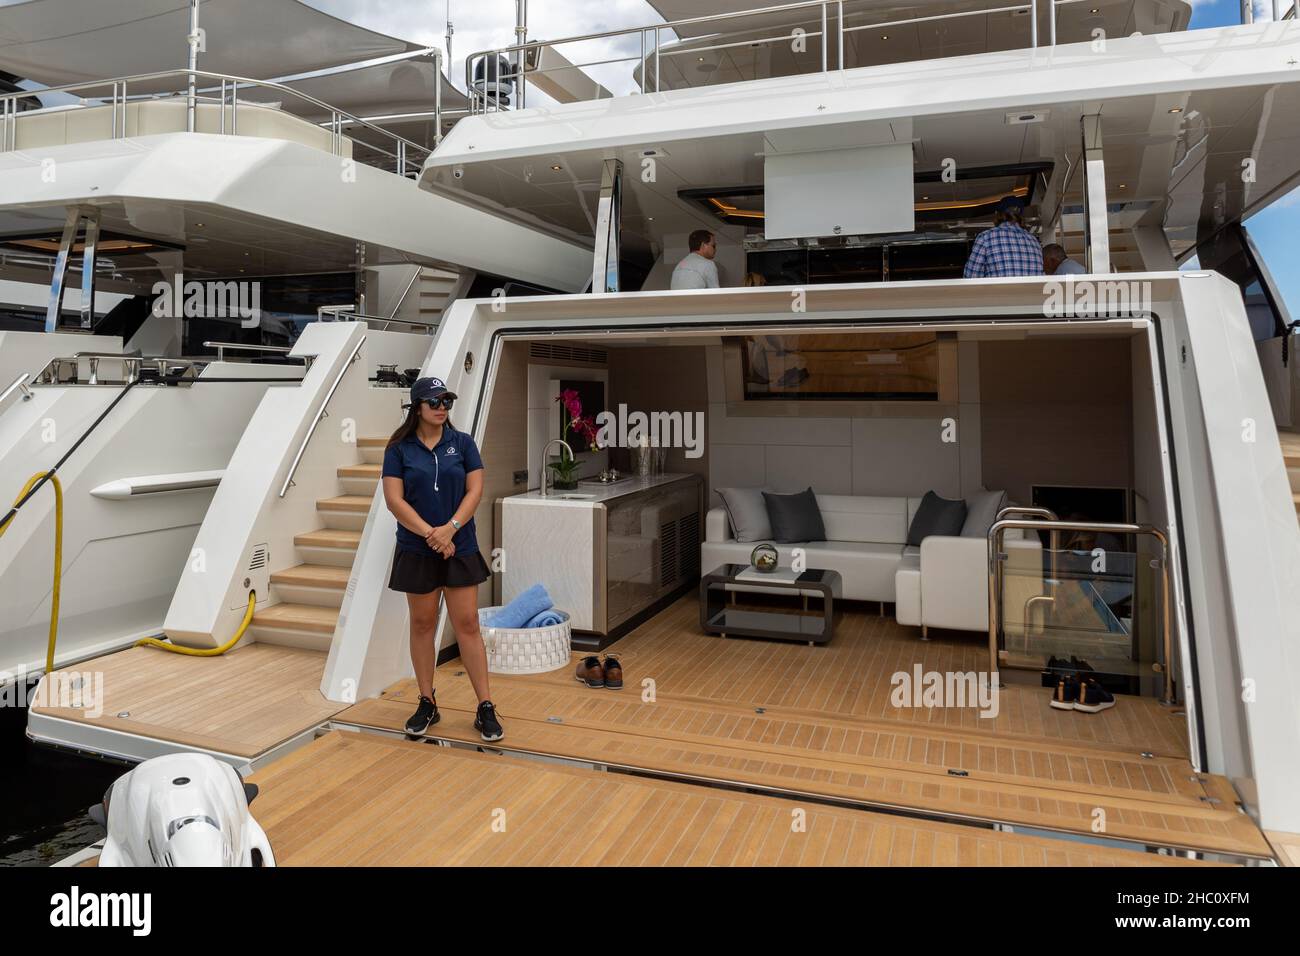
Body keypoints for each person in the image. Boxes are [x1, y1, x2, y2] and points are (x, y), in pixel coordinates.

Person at [381, 376, 503, 743]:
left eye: (446, 401)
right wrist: (432, 535)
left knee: (467, 624)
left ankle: (484, 706)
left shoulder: (463, 443)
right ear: (416, 407)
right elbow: (394, 501)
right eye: (434, 402)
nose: (441, 408)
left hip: (459, 545)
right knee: (422, 624)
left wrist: (449, 529)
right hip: (418, 549)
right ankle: (427, 701)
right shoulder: (399, 448)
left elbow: (475, 490)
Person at [963, 196, 1043, 278]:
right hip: (1032, 291)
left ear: (998, 214)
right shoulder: (1034, 241)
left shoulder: (985, 238)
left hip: (998, 291)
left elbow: (970, 277)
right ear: (1021, 216)